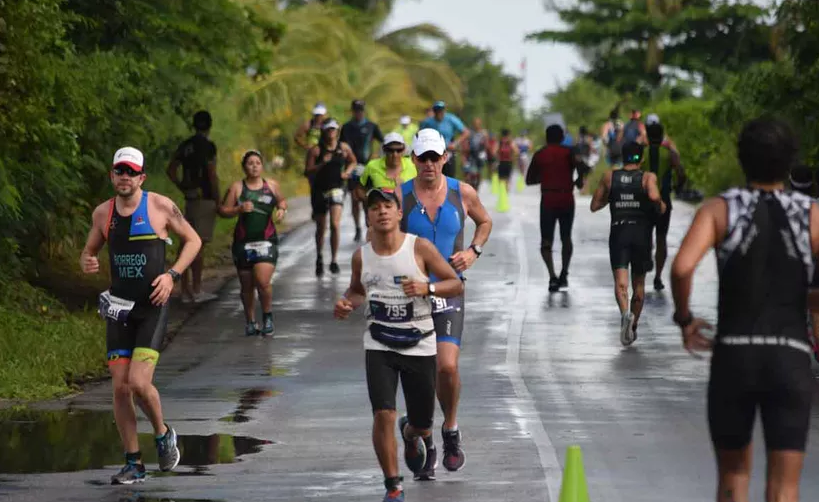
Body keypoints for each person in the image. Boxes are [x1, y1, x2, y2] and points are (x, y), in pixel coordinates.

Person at [670, 117, 819, 502]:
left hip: (734, 354)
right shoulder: (811, 212)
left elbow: (683, 267)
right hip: (791, 356)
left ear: (741, 158)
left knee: (733, 475)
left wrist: (685, 319)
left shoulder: (719, 209)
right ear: (790, 161)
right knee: (785, 485)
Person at [81, 147, 203, 484]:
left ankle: (163, 434)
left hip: (152, 308)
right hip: (119, 310)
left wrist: (172, 275)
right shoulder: (103, 214)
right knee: (120, 389)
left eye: (131, 172)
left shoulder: (160, 206)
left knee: (138, 383)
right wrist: (87, 261)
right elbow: (88, 251)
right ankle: (133, 462)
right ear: (112, 175)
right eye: (119, 170)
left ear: (141, 177)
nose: (124, 177)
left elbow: (193, 241)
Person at [334, 188, 465, 500]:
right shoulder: (360, 256)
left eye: (388, 205)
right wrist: (346, 303)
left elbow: (455, 284)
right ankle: (393, 486)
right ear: (367, 216)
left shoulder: (419, 248)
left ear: (398, 214)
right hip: (380, 346)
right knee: (383, 414)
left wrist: (426, 287)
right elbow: (356, 290)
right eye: (375, 207)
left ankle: (412, 433)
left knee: (421, 424)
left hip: (419, 345)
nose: (382, 211)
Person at [400, 128, 493, 473]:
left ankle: (449, 428)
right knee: (419, 375)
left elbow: (485, 222)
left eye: (434, 157)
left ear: (444, 159)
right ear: (413, 160)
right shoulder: (400, 195)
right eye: (422, 157)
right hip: (410, 295)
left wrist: (473, 251)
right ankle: (419, 434)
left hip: (449, 290)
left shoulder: (461, 192)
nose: (428, 164)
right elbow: (379, 236)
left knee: (447, 367)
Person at [590, 141, 666, 346]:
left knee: (621, 283)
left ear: (623, 157)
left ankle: (625, 314)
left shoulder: (609, 176)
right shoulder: (648, 177)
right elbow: (654, 196)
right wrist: (659, 204)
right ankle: (633, 325)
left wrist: (614, 198)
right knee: (639, 286)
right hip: (641, 235)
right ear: (641, 158)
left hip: (619, 232)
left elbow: (594, 205)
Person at [218, 150, 288, 337]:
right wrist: (238, 209)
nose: (254, 166)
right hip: (243, 242)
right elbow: (223, 210)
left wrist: (281, 210)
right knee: (247, 285)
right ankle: (250, 320)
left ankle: (267, 316)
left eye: (257, 162)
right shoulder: (237, 187)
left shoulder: (271, 185)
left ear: (262, 166)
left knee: (263, 281)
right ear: (244, 166)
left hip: (266, 240)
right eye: (250, 163)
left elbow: (281, 200)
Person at [166, 110, 220, 304]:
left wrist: (182, 186)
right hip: (204, 198)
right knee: (197, 244)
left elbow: (171, 169)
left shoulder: (186, 145)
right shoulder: (208, 146)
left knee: (186, 243)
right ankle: (195, 290)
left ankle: (185, 289)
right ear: (210, 126)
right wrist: (217, 198)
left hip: (190, 198)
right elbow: (211, 173)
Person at [526, 125, 586, 292]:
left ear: (546, 138)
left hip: (548, 200)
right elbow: (582, 167)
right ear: (561, 138)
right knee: (566, 237)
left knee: (546, 240)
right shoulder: (569, 153)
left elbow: (529, 180)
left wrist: (546, 177)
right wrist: (579, 180)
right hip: (567, 198)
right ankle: (564, 273)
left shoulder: (540, 154)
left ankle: (552, 277)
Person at [306, 118, 358, 276]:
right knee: (321, 227)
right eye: (328, 129)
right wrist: (322, 164)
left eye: (334, 129)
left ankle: (334, 259)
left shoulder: (343, 147)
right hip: (320, 190)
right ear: (323, 131)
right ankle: (319, 256)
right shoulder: (316, 150)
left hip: (336, 188)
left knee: (335, 224)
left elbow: (353, 161)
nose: (331, 132)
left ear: (337, 130)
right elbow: (308, 171)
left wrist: (347, 172)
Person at [644, 119, 685, 291]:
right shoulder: (669, 154)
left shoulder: (641, 152)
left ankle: (647, 259)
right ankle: (658, 278)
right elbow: (681, 173)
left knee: (645, 235)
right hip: (664, 200)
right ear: (661, 136)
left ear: (647, 135)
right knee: (661, 238)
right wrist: (678, 187)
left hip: (644, 201)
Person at [341, 99, 385, 243]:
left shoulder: (371, 126)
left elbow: (383, 142)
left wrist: (377, 156)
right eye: (356, 110)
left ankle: (369, 225)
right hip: (353, 167)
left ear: (363, 111)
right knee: (354, 199)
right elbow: (341, 146)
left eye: (360, 110)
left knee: (368, 198)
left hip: (369, 167)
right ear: (352, 111)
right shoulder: (346, 127)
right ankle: (357, 228)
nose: (358, 113)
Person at [419, 101, 470, 178]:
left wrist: (455, 143)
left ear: (444, 111)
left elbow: (466, 132)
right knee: (434, 175)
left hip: (448, 151)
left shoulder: (451, 119)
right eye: (437, 110)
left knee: (449, 175)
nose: (439, 113)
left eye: (441, 110)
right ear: (434, 111)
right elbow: (420, 135)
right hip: (433, 152)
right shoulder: (428, 122)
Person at [464, 118, 489, 191]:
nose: (476, 125)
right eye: (475, 123)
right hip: (471, 153)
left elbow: (487, 144)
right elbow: (466, 142)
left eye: (477, 123)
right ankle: (471, 185)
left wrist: (484, 145)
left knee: (479, 171)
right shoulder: (470, 132)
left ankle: (477, 186)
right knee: (470, 171)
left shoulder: (484, 133)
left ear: (480, 124)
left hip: (480, 153)